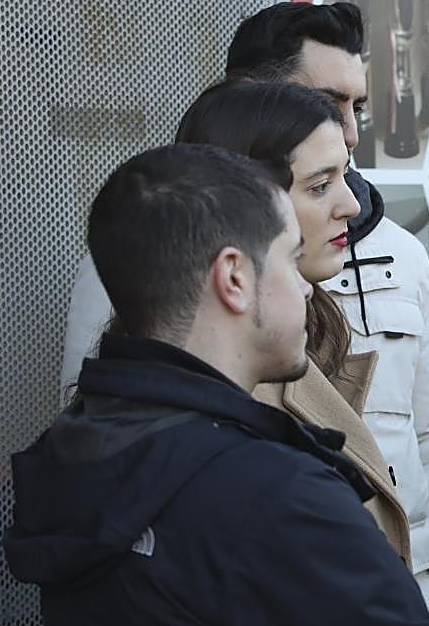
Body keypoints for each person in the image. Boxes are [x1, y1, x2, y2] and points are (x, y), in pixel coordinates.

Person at [4, 144, 429, 626]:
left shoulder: (79, 449)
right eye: (291, 259)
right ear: (234, 278)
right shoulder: (269, 493)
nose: (310, 285)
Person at [60, 1, 429, 626]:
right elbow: (97, 456)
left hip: (411, 613)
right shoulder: (147, 263)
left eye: (356, 109)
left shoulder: (401, 251)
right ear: (248, 105)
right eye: (325, 102)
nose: (347, 130)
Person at [170, 77, 407, 560]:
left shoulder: (315, 326)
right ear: (246, 205)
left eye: (345, 175)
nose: (352, 206)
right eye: (320, 186)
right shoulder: (216, 398)